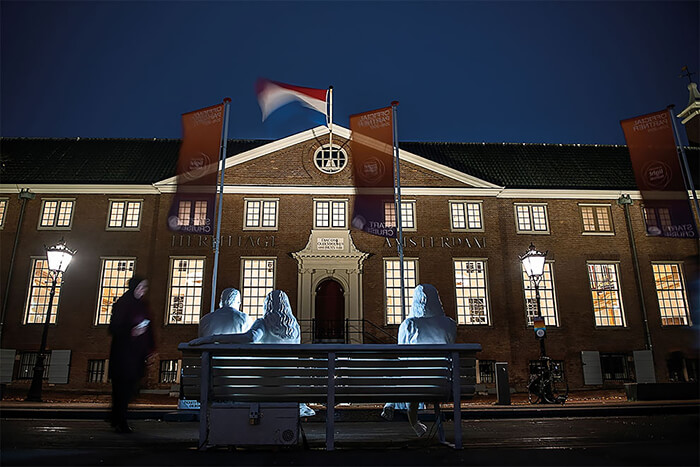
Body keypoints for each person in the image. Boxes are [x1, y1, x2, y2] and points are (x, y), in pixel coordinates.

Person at [189, 290, 315, 417]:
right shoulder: (296, 328)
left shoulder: (263, 323)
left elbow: (251, 338)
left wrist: (213, 338)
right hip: (290, 387)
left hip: (265, 387)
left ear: (267, 305)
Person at [381, 284, 456, 437]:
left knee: (404, 371)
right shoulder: (449, 324)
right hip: (443, 382)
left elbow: (402, 356)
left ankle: (400, 410)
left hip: (414, 382)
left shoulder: (409, 324)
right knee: (416, 375)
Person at [109, 276, 155, 433]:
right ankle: (120, 420)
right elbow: (113, 328)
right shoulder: (122, 304)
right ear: (134, 288)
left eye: (144, 287)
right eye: (141, 287)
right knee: (122, 387)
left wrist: (150, 349)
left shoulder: (143, 305)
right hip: (123, 354)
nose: (143, 290)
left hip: (136, 354)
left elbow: (150, 328)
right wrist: (132, 331)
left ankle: (117, 416)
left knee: (130, 387)